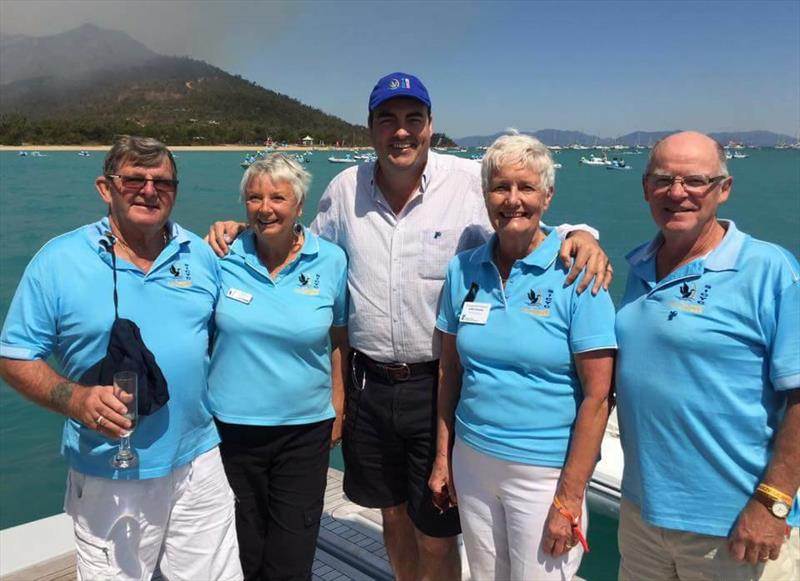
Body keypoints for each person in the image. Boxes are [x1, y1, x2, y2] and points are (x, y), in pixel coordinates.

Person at [207, 72, 612, 581]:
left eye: (412, 120)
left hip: (435, 384)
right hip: (368, 383)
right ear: (371, 128)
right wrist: (243, 231)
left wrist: (582, 235)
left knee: (437, 528)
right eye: (388, 120)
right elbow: (297, 244)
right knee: (392, 513)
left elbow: (523, 215)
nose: (401, 132)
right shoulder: (343, 190)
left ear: (430, 126)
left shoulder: (468, 183)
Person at [0, 136, 242, 581]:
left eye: (163, 182)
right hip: (110, 469)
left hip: (199, 460)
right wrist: (75, 399)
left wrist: (242, 228)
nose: (149, 191)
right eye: (134, 179)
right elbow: (14, 357)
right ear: (104, 187)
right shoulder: (58, 260)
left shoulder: (202, 255)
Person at [429, 133, 617, 580]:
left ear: (547, 197)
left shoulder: (578, 274)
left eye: (526, 188)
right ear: (485, 196)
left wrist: (569, 497)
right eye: (500, 187)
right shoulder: (464, 269)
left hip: (544, 474)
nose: (512, 200)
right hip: (472, 462)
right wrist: (443, 457)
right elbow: (449, 371)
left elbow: (598, 396)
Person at [615, 131, 799, 580]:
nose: (677, 193)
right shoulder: (639, 266)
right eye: (663, 179)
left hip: (734, 523)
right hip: (642, 515)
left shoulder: (769, 271)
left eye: (695, 180)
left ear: (724, 188)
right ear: (645, 189)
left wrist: (773, 503)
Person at [207, 155, 348, 580]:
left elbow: (340, 340)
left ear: (300, 205)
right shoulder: (219, 255)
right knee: (240, 548)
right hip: (230, 429)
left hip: (303, 432)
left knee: (292, 553)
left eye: (277, 197)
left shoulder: (332, 261)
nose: (265, 207)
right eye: (254, 197)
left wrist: (339, 407)